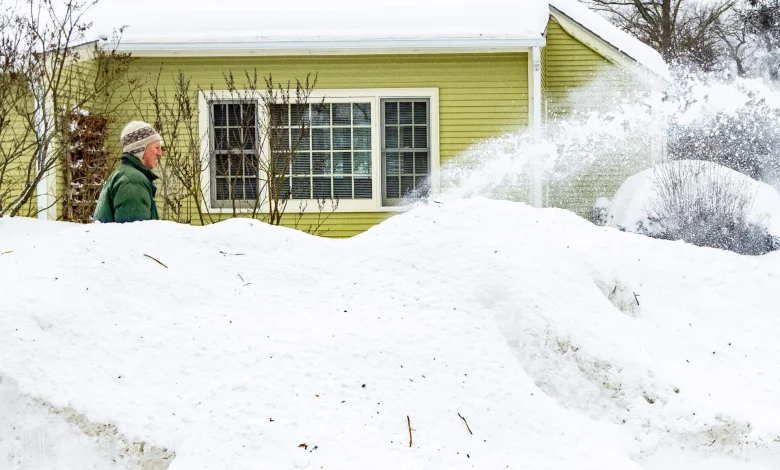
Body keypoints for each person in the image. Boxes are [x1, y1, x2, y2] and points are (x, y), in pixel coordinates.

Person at [93, 121, 163, 223]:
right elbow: (135, 235)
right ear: (140, 149)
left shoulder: (125, 174)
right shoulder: (132, 181)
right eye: (156, 148)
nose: (160, 153)